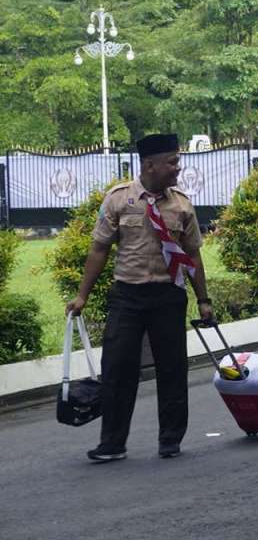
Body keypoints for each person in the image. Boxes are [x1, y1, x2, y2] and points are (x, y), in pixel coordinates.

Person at [66, 134, 213, 463]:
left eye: (177, 161)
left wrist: (203, 299)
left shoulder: (182, 205)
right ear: (149, 165)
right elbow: (99, 249)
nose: (178, 168)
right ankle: (112, 443)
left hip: (168, 294)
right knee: (117, 368)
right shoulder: (118, 200)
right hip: (127, 296)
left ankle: (170, 439)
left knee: (172, 369)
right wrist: (81, 296)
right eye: (171, 162)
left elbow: (193, 257)